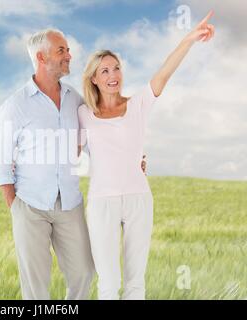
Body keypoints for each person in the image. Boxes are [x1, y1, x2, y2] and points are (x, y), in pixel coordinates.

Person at [78, 11, 215, 300]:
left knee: (135, 281)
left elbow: (164, 72)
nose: (113, 75)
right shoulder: (83, 115)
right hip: (102, 202)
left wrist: (189, 38)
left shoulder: (139, 104)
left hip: (139, 198)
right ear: (93, 79)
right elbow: (69, 148)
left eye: (116, 68)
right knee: (108, 282)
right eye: (105, 71)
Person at [0, 28, 95, 300]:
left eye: (67, 50)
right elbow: (1, 162)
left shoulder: (75, 99)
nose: (69, 55)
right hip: (30, 206)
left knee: (84, 272)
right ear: (41, 57)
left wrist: (130, 161)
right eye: (62, 50)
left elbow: (94, 138)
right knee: (36, 288)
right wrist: (16, 207)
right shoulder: (16, 105)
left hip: (70, 203)